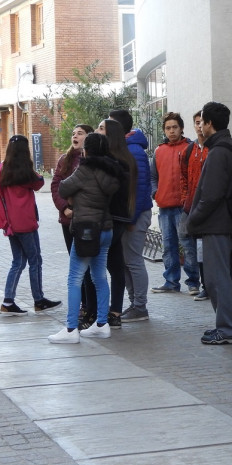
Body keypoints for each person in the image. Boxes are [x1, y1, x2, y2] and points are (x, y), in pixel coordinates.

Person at [49, 132, 122, 343]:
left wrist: (75, 197)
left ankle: (71, 329)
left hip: (86, 231)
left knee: (75, 277)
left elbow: (63, 188)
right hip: (106, 228)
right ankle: (101, 324)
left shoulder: (84, 170)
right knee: (99, 275)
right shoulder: (111, 171)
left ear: (86, 150)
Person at [186, 101, 232, 345]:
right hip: (218, 222)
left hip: (217, 223)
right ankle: (227, 326)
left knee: (216, 278)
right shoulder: (223, 147)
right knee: (214, 277)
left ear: (210, 123)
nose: (199, 126)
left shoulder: (220, 151)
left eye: (201, 122)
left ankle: (229, 328)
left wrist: (192, 221)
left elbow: (211, 195)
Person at [0, 134, 61, 316]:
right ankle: (39, 300)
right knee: (35, 261)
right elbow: (39, 183)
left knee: (18, 261)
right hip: (26, 222)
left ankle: (8, 301)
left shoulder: (2, 169)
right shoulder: (26, 171)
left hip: (10, 223)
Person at [150, 111, 201, 294]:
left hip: (183, 207)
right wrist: (155, 192)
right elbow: (153, 177)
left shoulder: (190, 148)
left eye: (174, 127)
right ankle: (171, 282)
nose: (171, 131)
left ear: (181, 129)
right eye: (168, 128)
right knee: (168, 246)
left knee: (187, 245)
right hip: (164, 206)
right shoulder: (158, 151)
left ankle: (193, 282)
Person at [109, 109, 152, 322]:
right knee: (125, 261)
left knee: (133, 260)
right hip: (127, 216)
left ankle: (140, 306)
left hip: (135, 215)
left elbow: (140, 188)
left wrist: (132, 219)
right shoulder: (123, 149)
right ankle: (134, 302)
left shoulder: (134, 151)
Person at [51, 124, 96, 324]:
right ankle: (82, 304)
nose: (75, 136)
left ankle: (89, 307)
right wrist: (64, 208)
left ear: (89, 137)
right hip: (67, 219)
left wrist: (76, 206)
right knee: (75, 263)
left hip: (85, 219)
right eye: (73, 133)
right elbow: (55, 186)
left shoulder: (93, 160)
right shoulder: (64, 159)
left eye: (80, 133)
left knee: (88, 266)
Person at [99, 118, 137, 326]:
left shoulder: (111, 160)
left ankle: (104, 312)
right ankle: (115, 312)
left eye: (101, 128)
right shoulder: (125, 158)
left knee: (99, 267)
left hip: (109, 217)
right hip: (120, 217)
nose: (97, 131)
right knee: (115, 266)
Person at [181, 110, 209, 301]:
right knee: (192, 244)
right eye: (196, 122)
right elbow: (183, 177)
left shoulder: (213, 149)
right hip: (191, 206)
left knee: (207, 248)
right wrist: (185, 199)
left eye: (202, 122)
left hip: (208, 207)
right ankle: (197, 282)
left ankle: (209, 285)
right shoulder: (188, 150)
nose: (199, 126)